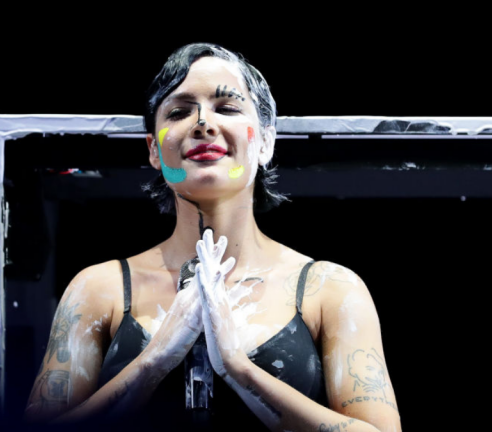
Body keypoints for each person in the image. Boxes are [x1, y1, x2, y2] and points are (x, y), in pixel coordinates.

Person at [23, 43, 401, 432]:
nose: (203, 123)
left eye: (227, 108)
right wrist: (152, 362)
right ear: (154, 149)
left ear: (265, 141)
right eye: (179, 112)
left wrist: (239, 368)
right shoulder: (97, 289)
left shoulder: (331, 290)